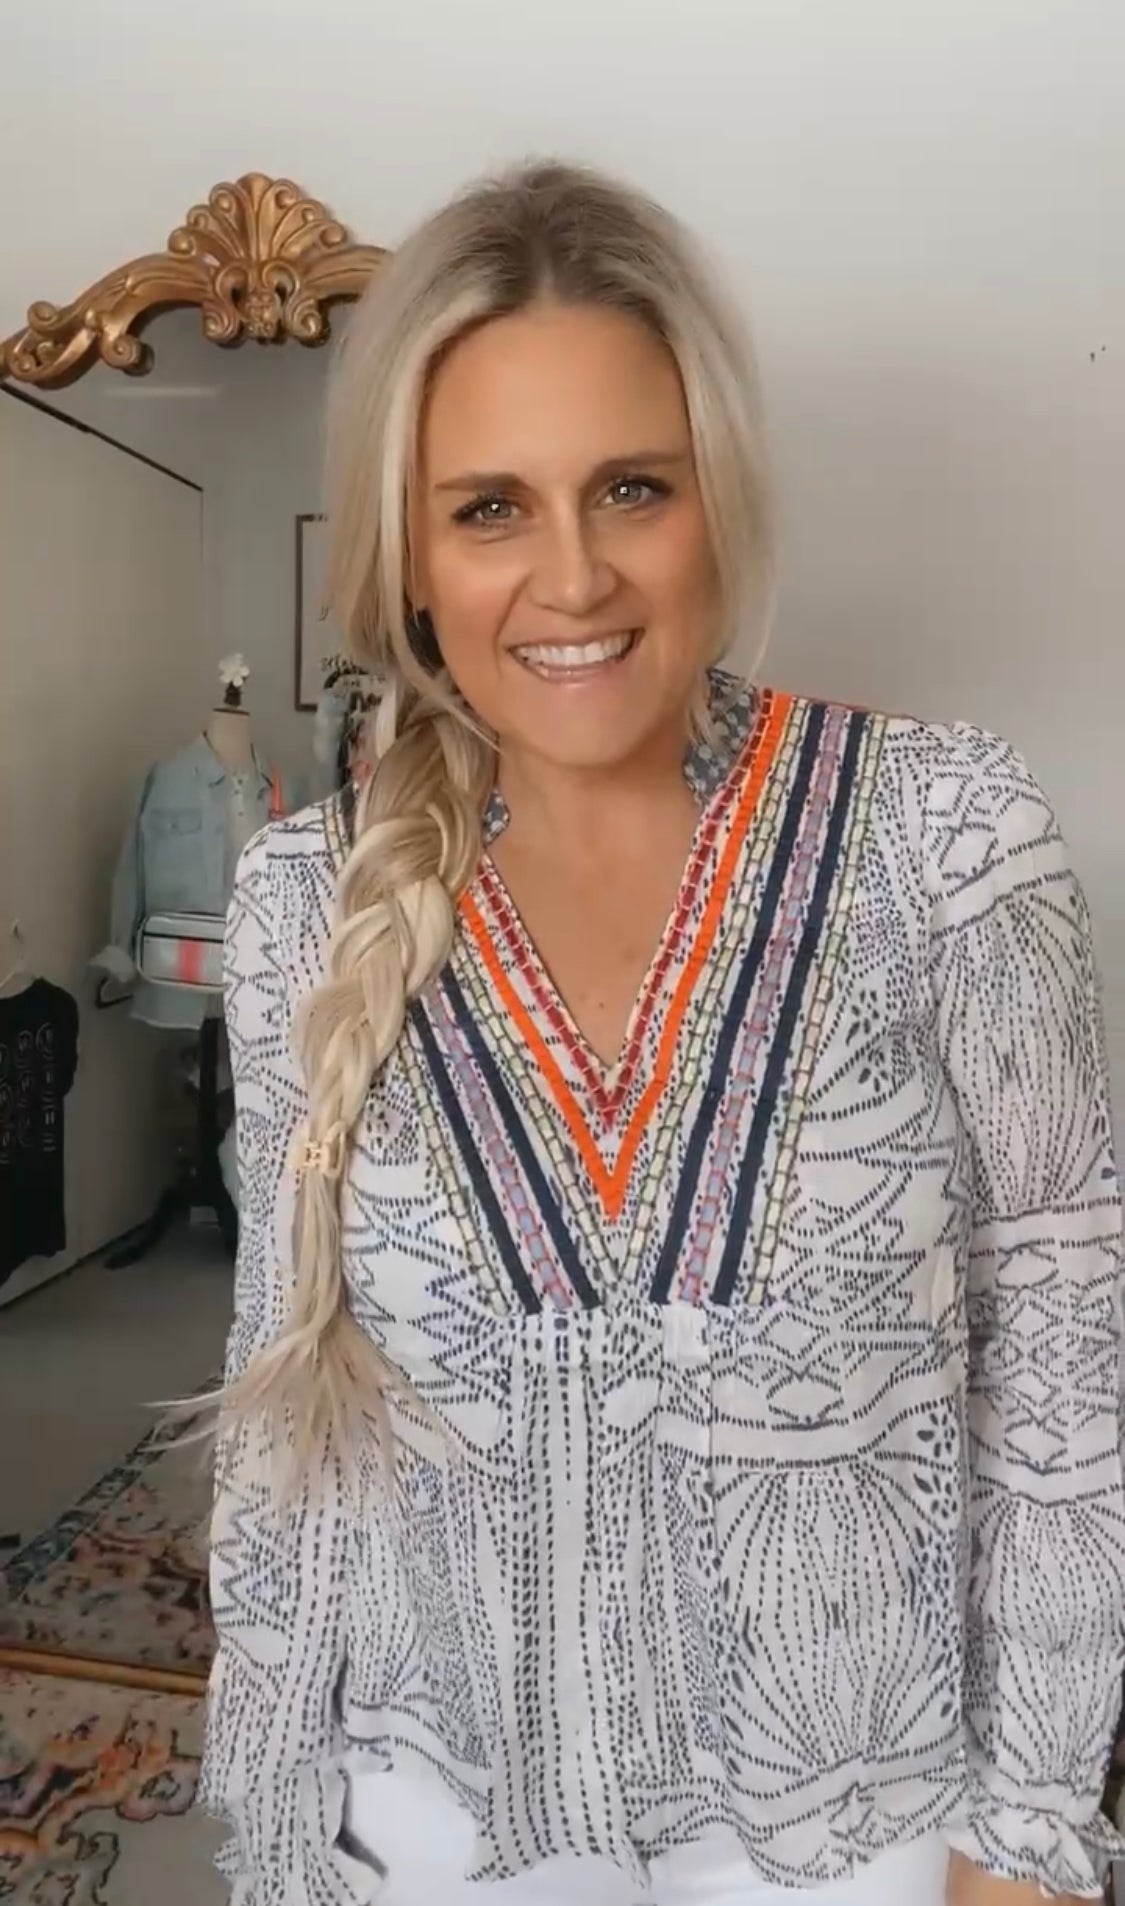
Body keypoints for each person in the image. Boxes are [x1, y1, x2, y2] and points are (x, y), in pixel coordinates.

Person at [199, 162, 1125, 1906]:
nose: (571, 577)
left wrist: (1029, 1835)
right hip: (430, 1829)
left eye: (631, 486)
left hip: (857, 1842)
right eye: (488, 506)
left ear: (719, 496)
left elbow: (1064, 1376)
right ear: (410, 551)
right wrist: (276, 1832)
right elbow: (288, 1419)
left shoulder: (943, 840)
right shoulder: (300, 903)